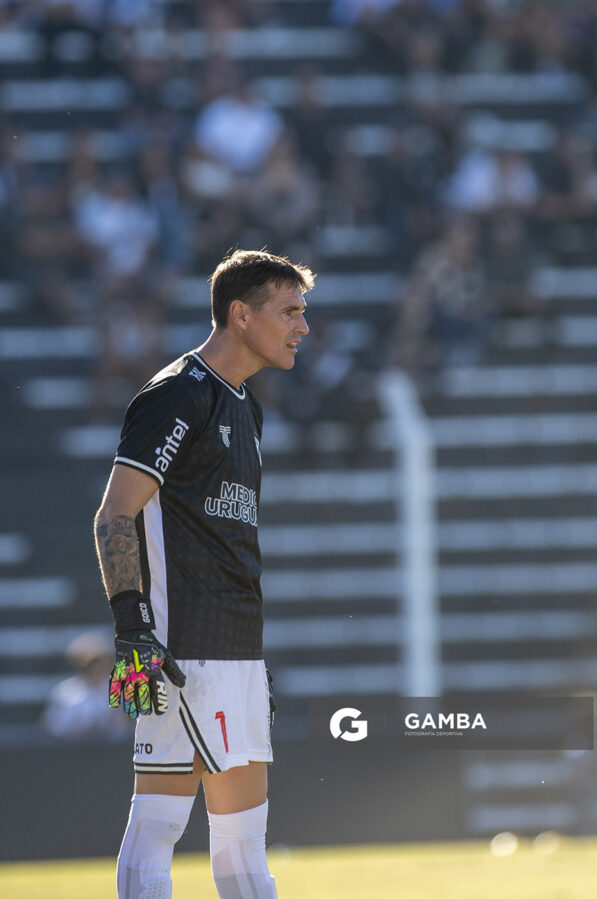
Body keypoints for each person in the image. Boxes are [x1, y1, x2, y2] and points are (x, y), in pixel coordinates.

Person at [93, 249, 314, 898]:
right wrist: (134, 634)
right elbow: (114, 516)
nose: (302, 326)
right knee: (158, 834)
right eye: (290, 311)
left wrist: (249, 659)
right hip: (179, 649)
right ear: (240, 314)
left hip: (234, 652)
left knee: (244, 848)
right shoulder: (176, 394)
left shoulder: (246, 407)